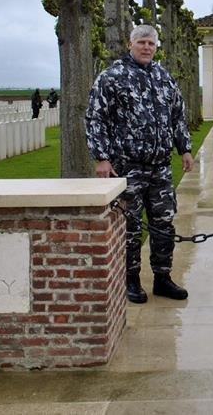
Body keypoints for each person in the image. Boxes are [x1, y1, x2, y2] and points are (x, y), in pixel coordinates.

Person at [86, 24, 195, 304]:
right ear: (130, 44)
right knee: (131, 227)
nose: (147, 47)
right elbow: (96, 117)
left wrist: (184, 149)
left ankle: (162, 278)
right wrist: (101, 157)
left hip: (160, 167)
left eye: (151, 43)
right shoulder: (112, 77)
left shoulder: (163, 77)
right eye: (141, 42)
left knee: (163, 223)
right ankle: (131, 280)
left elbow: (177, 115)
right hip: (127, 165)